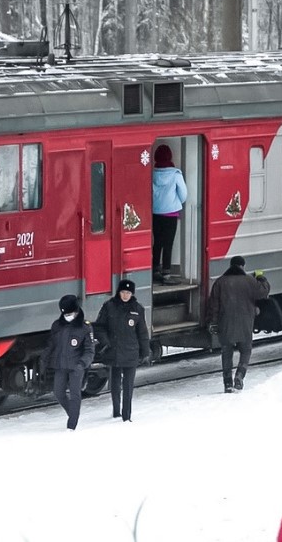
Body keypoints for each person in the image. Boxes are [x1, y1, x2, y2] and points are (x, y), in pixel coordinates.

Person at [207, 255, 270, 393]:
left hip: (226, 323)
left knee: (226, 351)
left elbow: (214, 306)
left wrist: (213, 322)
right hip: (245, 322)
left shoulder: (220, 282)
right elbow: (263, 292)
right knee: (246, 350)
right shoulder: (249, 281)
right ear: (242, 266)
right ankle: (240, 375)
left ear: (231, 266)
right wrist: (261, 278)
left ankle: (227, 383)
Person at [94, 279, 150, 422]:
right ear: (119, 292)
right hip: (113, 351)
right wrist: (106, 343)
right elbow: (99, 327)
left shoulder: (138, 309)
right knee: (115, 383)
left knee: (128, 385)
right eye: (123, 292)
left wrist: (145, 352)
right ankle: (116, 411)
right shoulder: (109, 307)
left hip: (131, 352)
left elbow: (142, 332)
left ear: (132, 294)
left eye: (128, 293)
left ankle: (127, 416)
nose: (125, 295)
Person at [45, 294, 97, 430]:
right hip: (60, 365)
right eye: (65, 314)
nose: (68, 316)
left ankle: (72, 425)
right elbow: (52, 345)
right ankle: (72, 413)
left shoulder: (85, 327)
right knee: (58, 392)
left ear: (77, 311)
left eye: (71, 313)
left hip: (76, 367)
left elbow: (89, 350)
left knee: (75, 394)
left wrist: (82, 364)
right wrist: (44, 359)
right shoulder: (57, 326)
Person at [151, 144, 187, 283]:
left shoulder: (152, 173)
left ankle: (155, 269)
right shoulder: (175, 174)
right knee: (168, 243)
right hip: (171, 214)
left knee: (157, 242)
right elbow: (183, 195)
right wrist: (175, 201)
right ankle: (166, 273)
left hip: (155, 213)